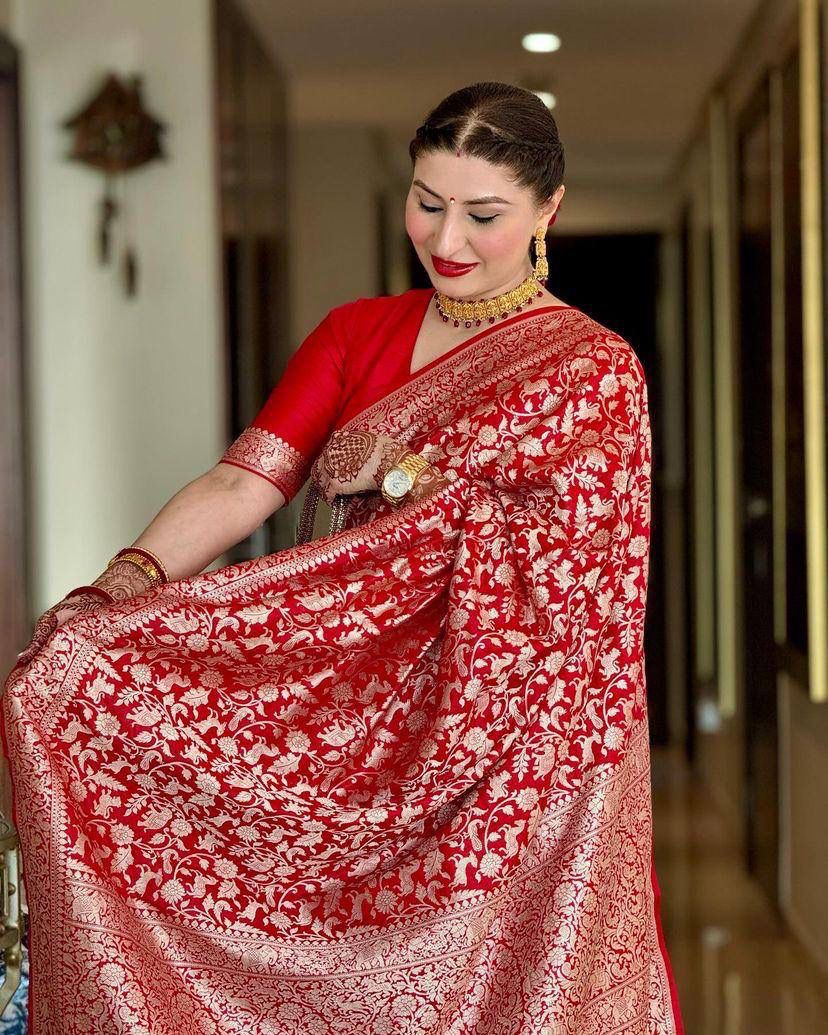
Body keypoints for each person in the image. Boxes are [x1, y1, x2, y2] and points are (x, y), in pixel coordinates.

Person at [1, 81, 684, 1034]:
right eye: (426, 201)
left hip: (505, 765)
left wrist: (415, 493)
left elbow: (579, 597)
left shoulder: (593, 371)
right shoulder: (358, 332)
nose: (445, 240)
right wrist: (122, 585)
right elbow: (244, 483)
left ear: (547, 210)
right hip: (328, 714)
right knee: (72, 678)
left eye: (482, 215)